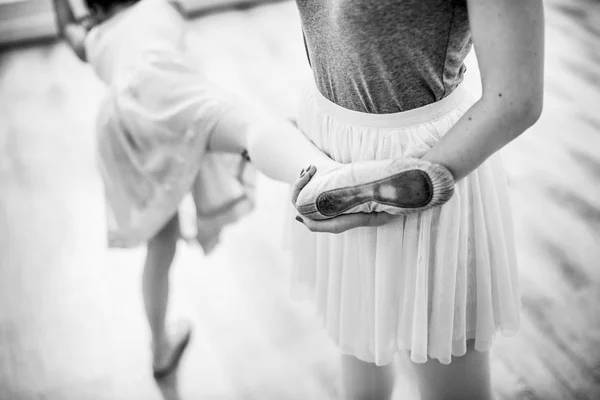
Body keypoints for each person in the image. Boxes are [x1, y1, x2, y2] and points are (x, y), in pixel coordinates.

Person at [288, 1, 545, 399]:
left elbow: (516, 98)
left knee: (448, 374)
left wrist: (378, 191)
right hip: (330, 147)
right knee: (358, 343)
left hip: (425, 163)